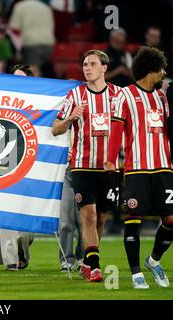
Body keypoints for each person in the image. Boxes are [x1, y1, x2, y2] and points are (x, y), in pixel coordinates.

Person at [105, 47, 172, 289]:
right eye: (161, 69)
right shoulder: (124, 95)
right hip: (137, 168)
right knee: (134, 217)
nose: (164, 73)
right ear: (149, 70)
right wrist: (111, 160)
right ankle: (136, 274)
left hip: (164, 167)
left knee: (171, 219)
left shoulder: (162, 97)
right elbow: (115, 131)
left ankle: (154, 261)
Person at [51, 50, 121, 282]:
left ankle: (89, 258)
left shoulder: (117, 95)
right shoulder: (75, 95)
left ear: (104, 67)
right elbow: (55, 128)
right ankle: (94, 266)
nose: (87, 68)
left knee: (101, 218)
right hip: (81, 166)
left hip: (108, 168)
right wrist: (71, 118)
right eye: (84, 64)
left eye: (92, 64)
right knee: (88, 215)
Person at [0, 64, 35, 271]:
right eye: (14, 77)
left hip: (32, 167)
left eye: (21, 77)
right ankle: (11, 260)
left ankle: (22, 247)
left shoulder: (41, 105)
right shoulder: (1, 104)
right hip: (4, 165)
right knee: (5, 214)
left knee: (27, 224)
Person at [58, 147, 84, 272]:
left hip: (85, 169)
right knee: (65, 221)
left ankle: (83, 258)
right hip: (65, 170)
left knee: (85, 222)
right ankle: (66, 260)